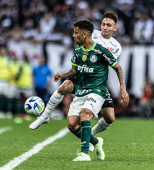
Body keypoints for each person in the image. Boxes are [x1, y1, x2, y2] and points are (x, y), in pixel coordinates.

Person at [30, 12, 122, 145]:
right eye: (103, 24)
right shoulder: (91, 33)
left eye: (109, 25)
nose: (105, 27)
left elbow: (104, 63)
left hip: (96, 81)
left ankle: (92, 135)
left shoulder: (116, 46)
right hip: (81, 75)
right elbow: (79, 41)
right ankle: (44, 116)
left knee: (110, 118)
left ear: (115, 28)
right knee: (63, 87)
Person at [55, 19, 128, 161]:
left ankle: (84, 154)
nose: (73, 36)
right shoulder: (77, 50)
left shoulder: (101, 51)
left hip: (97, 90)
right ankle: (96, 141)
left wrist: (123, 89)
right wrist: (62, 75)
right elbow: (74, 70)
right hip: (82, 90)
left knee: (85, 114)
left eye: (76, 33)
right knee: (71, 124)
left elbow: (117, 67)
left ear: (85, 34)